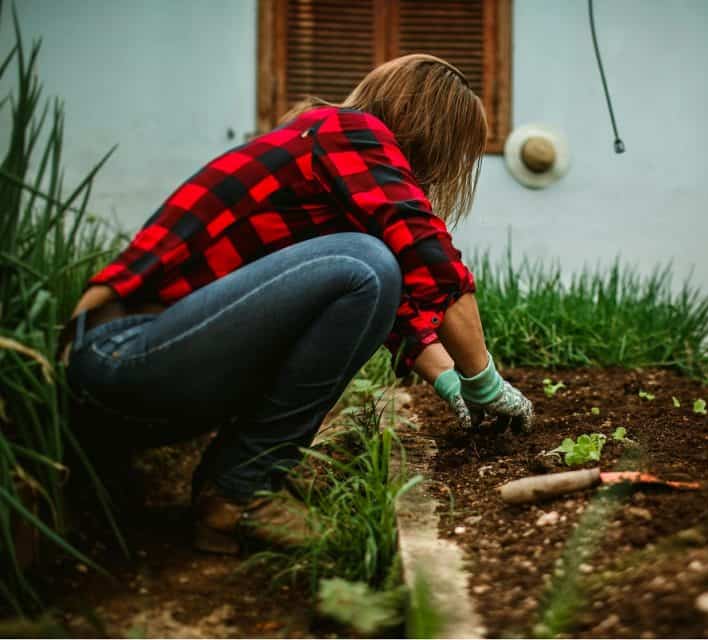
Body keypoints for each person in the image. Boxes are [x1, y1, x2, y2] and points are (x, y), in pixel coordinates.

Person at [58, 54, 534, 554]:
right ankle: (240, 492)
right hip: (119, 355)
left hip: (153, 382)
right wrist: (485, 379)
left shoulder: (329, 170)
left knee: (372, 268)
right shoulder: (345, 130)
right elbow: (426, 257)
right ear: (431, 132)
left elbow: (399, 313)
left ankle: (232, 497)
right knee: (369, 264)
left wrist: (451, 382)